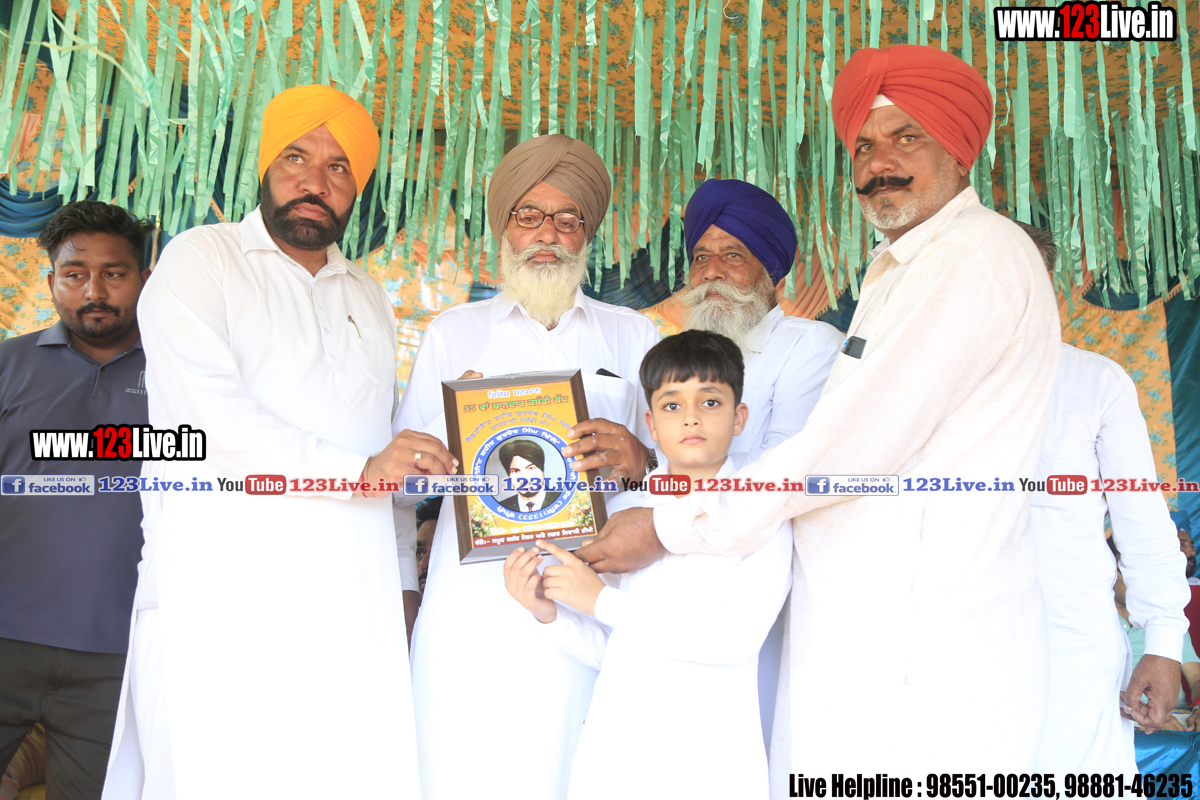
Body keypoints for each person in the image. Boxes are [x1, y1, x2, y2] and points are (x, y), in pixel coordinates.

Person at [579, 43, 1062, 781]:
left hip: (922, 641)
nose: (879, 162)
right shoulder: (905, 265)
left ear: (958, 148)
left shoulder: (972, 256)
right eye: (863, 145)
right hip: (871, 632)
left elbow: (851, 441)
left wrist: (670, 525)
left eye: (906, 137)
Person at [101, 84, 453, 800]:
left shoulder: (369, 297)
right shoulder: (202, 259)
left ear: (357, 187)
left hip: (350, 601)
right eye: (296, 158)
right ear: (265, 166)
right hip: (226, 590)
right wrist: (361, 469)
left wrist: (403, 582)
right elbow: (210, 423)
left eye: (339, 167)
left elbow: (379, 451)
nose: (315, 181)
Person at [395, 133, 661, 800]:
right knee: (463, 772)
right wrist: (451, 431)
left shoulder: (632, 335)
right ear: (505, 228)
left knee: (581, 770)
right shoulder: (454, 333)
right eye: (530, 215)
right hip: (471, 610)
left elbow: (674, 474)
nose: (548, 234)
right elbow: (401, 484)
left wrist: (641, 458)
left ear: (587, 233)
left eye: (568, 218)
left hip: (586, 602)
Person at [504, 330, 792, 800]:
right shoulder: (623, 514)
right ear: (651, 426)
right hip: (617, 756)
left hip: (708, 760)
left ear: (740, 417)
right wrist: (550, 614)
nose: (691, 417)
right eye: (672, 405)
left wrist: (599, 600)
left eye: (711, 402)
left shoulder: (762, 512)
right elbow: (619, 651)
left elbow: (733, 640)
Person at [1018, 221, 1190, 775]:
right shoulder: (928, 384)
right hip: (946, 642)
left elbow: (1143, 522)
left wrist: (1162, 645)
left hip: (1072, 651)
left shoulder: (1094, 382)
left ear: (1047, 285)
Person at [676, 178, 843, 745]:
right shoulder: (673, 356)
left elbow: (783, 469)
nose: (712, 273)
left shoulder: (809, 344)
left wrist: (654, 464)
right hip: (682, 568)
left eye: (733, 256)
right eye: (701, 257)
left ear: (771, 273)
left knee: (757, 727)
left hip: (767, 575)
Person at [0, 201, 153, 799]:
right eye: (74, 274)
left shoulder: (183, 378)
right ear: (51, 282)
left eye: (114, 273)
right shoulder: (8, 365)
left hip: (118, 653)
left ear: (143, 278)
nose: (94, 291)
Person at [496, 438, 562, 512]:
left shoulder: (562, 499)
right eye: (515, 471)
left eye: (531, 468)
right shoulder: (501, 508)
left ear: (542, 471)